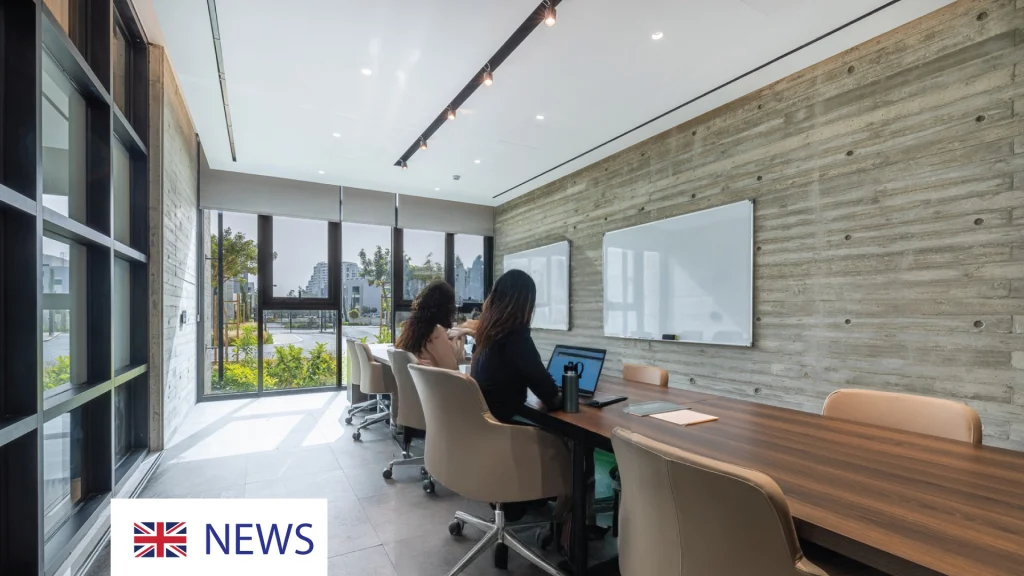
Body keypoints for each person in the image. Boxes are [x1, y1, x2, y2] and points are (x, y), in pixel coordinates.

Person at [471, 269, 561, 423]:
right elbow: (550, 396)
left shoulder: (486, 335)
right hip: (504, 427)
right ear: (526, 303)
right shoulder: (516, 338)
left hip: (484, 425)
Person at [395, 280, 464, 369]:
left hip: (414, 382)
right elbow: (453, 369)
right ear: (447, 308)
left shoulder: (410, 328)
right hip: (436, 382)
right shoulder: (436, 332)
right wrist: (457, 353)